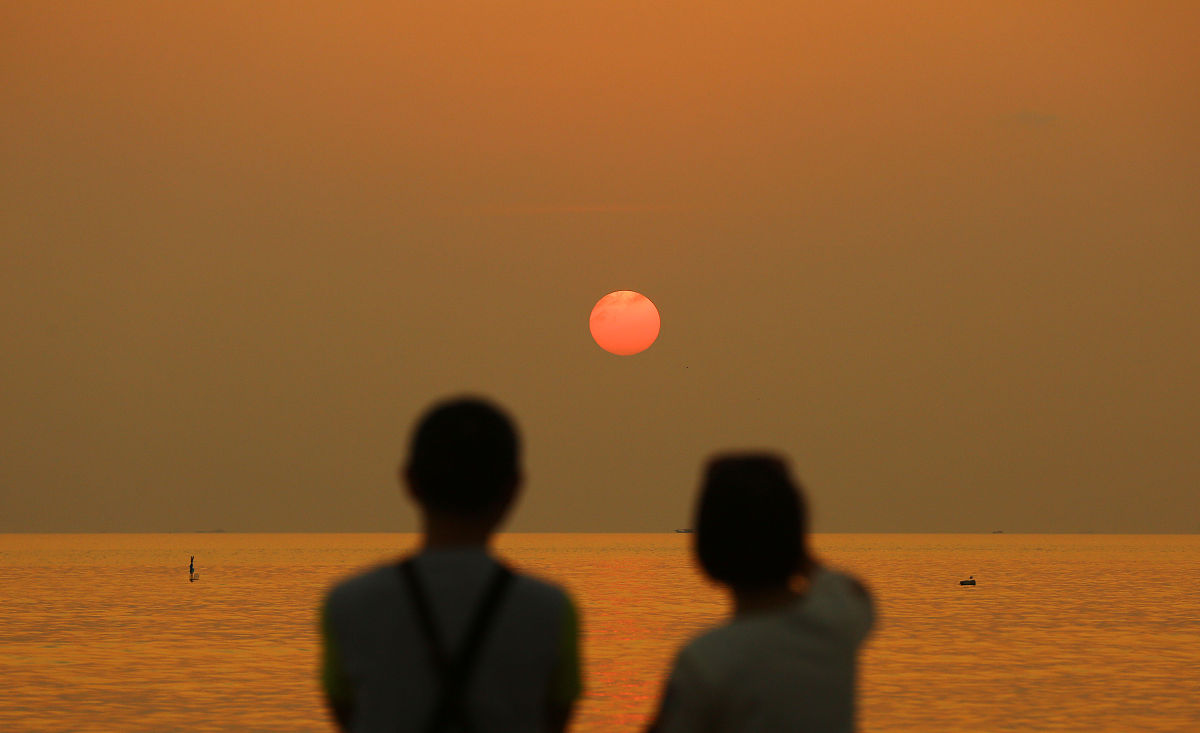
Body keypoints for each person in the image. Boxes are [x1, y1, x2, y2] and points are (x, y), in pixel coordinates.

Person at [320, 397, 582, 733]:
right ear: (513, 489)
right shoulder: (551, 610)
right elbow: (554, 719)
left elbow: (348, 715)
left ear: (409, 482)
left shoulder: (347, 604)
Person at [647, 454, 874, 733]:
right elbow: (850, 588)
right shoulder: (838, 623)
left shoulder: (706, 659)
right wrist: (795, 552)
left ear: (707, 551)